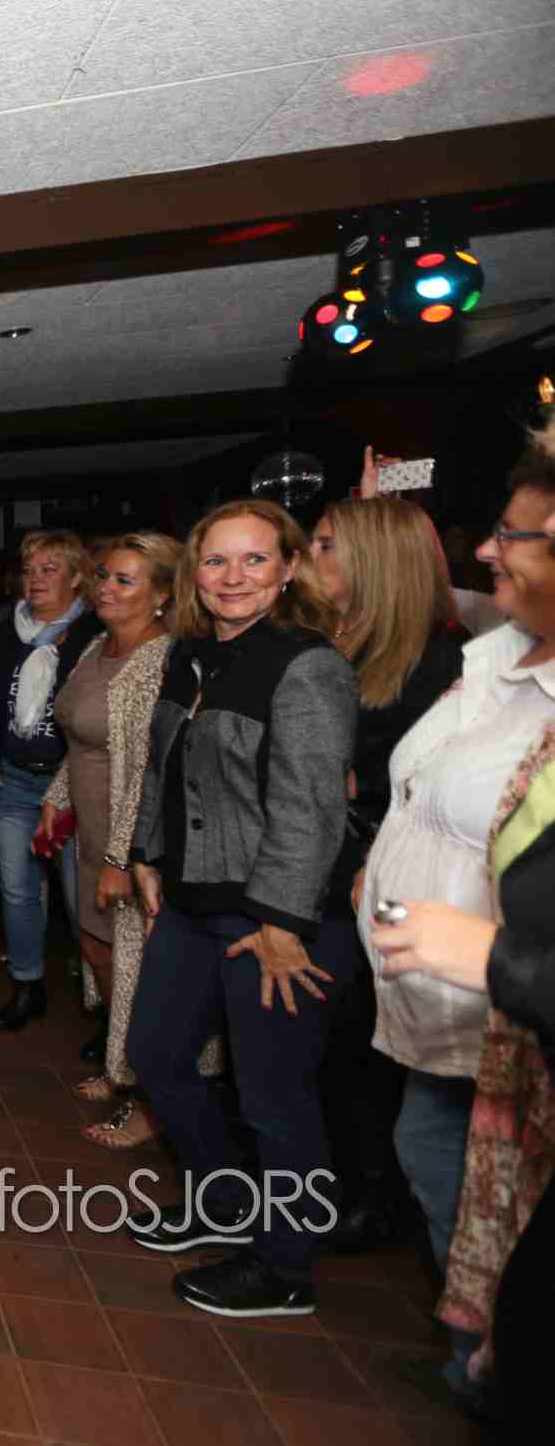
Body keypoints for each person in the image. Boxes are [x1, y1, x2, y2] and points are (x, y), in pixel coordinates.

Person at [125, 498, 356, 1319]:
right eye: (216, 560)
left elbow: (311, 808)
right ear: (195, 572)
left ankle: (286, 1266)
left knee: (272, 1096)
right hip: (192, 902)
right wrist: (146, 852)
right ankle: (224, 1204)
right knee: (155, 1055)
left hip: (272, 919)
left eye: (254, 559)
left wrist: (284, 921)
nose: (232, 576)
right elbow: (162, 766)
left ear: (289, 569)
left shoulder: (308, 664)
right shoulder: (189, 654)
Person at [356, 443, 555, 1389]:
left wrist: (492, 954)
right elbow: (392, 579)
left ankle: (493, 1369)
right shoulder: (500, 647)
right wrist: (376, 515)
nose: (487, 551)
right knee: (434, 1153)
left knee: (481, 1186)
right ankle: (482, 1358)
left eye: (511, 536)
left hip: (508, 1011)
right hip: (443, 1002)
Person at [306, 496, 464, 1252]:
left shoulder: (442, 661)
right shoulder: (335, 640)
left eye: (325, 545)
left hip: (384, 875)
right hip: (325, 866)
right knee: (331, 1041)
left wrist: (350, 783)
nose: (309, 557)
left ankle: (375, 1201)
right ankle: (343, 1183)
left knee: (370, 1045)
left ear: (372, 561)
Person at [33, 534, 183, 1150]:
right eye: (103, 576)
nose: (106, 589)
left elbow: (150, 771)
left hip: (133, 847)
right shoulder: (99, 646)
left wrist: (123, 857)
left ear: (162, 594)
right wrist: (57, 796)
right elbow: (82, 740)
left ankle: (152, 1102)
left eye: (125, 580)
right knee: (99, 955)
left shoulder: (160, 661)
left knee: (141, 976)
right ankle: (121, 1066)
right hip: (90, 836)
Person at [0, 531, 103, 1027]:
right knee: (17, 891)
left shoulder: (96, 636)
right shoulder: (4, 634)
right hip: (13, 782)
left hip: (72, 789)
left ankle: (102, 1002)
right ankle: (27, 985)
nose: (36, 579)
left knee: (81, 899)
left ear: (77, 578)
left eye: (49, 569)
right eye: (29, 571)